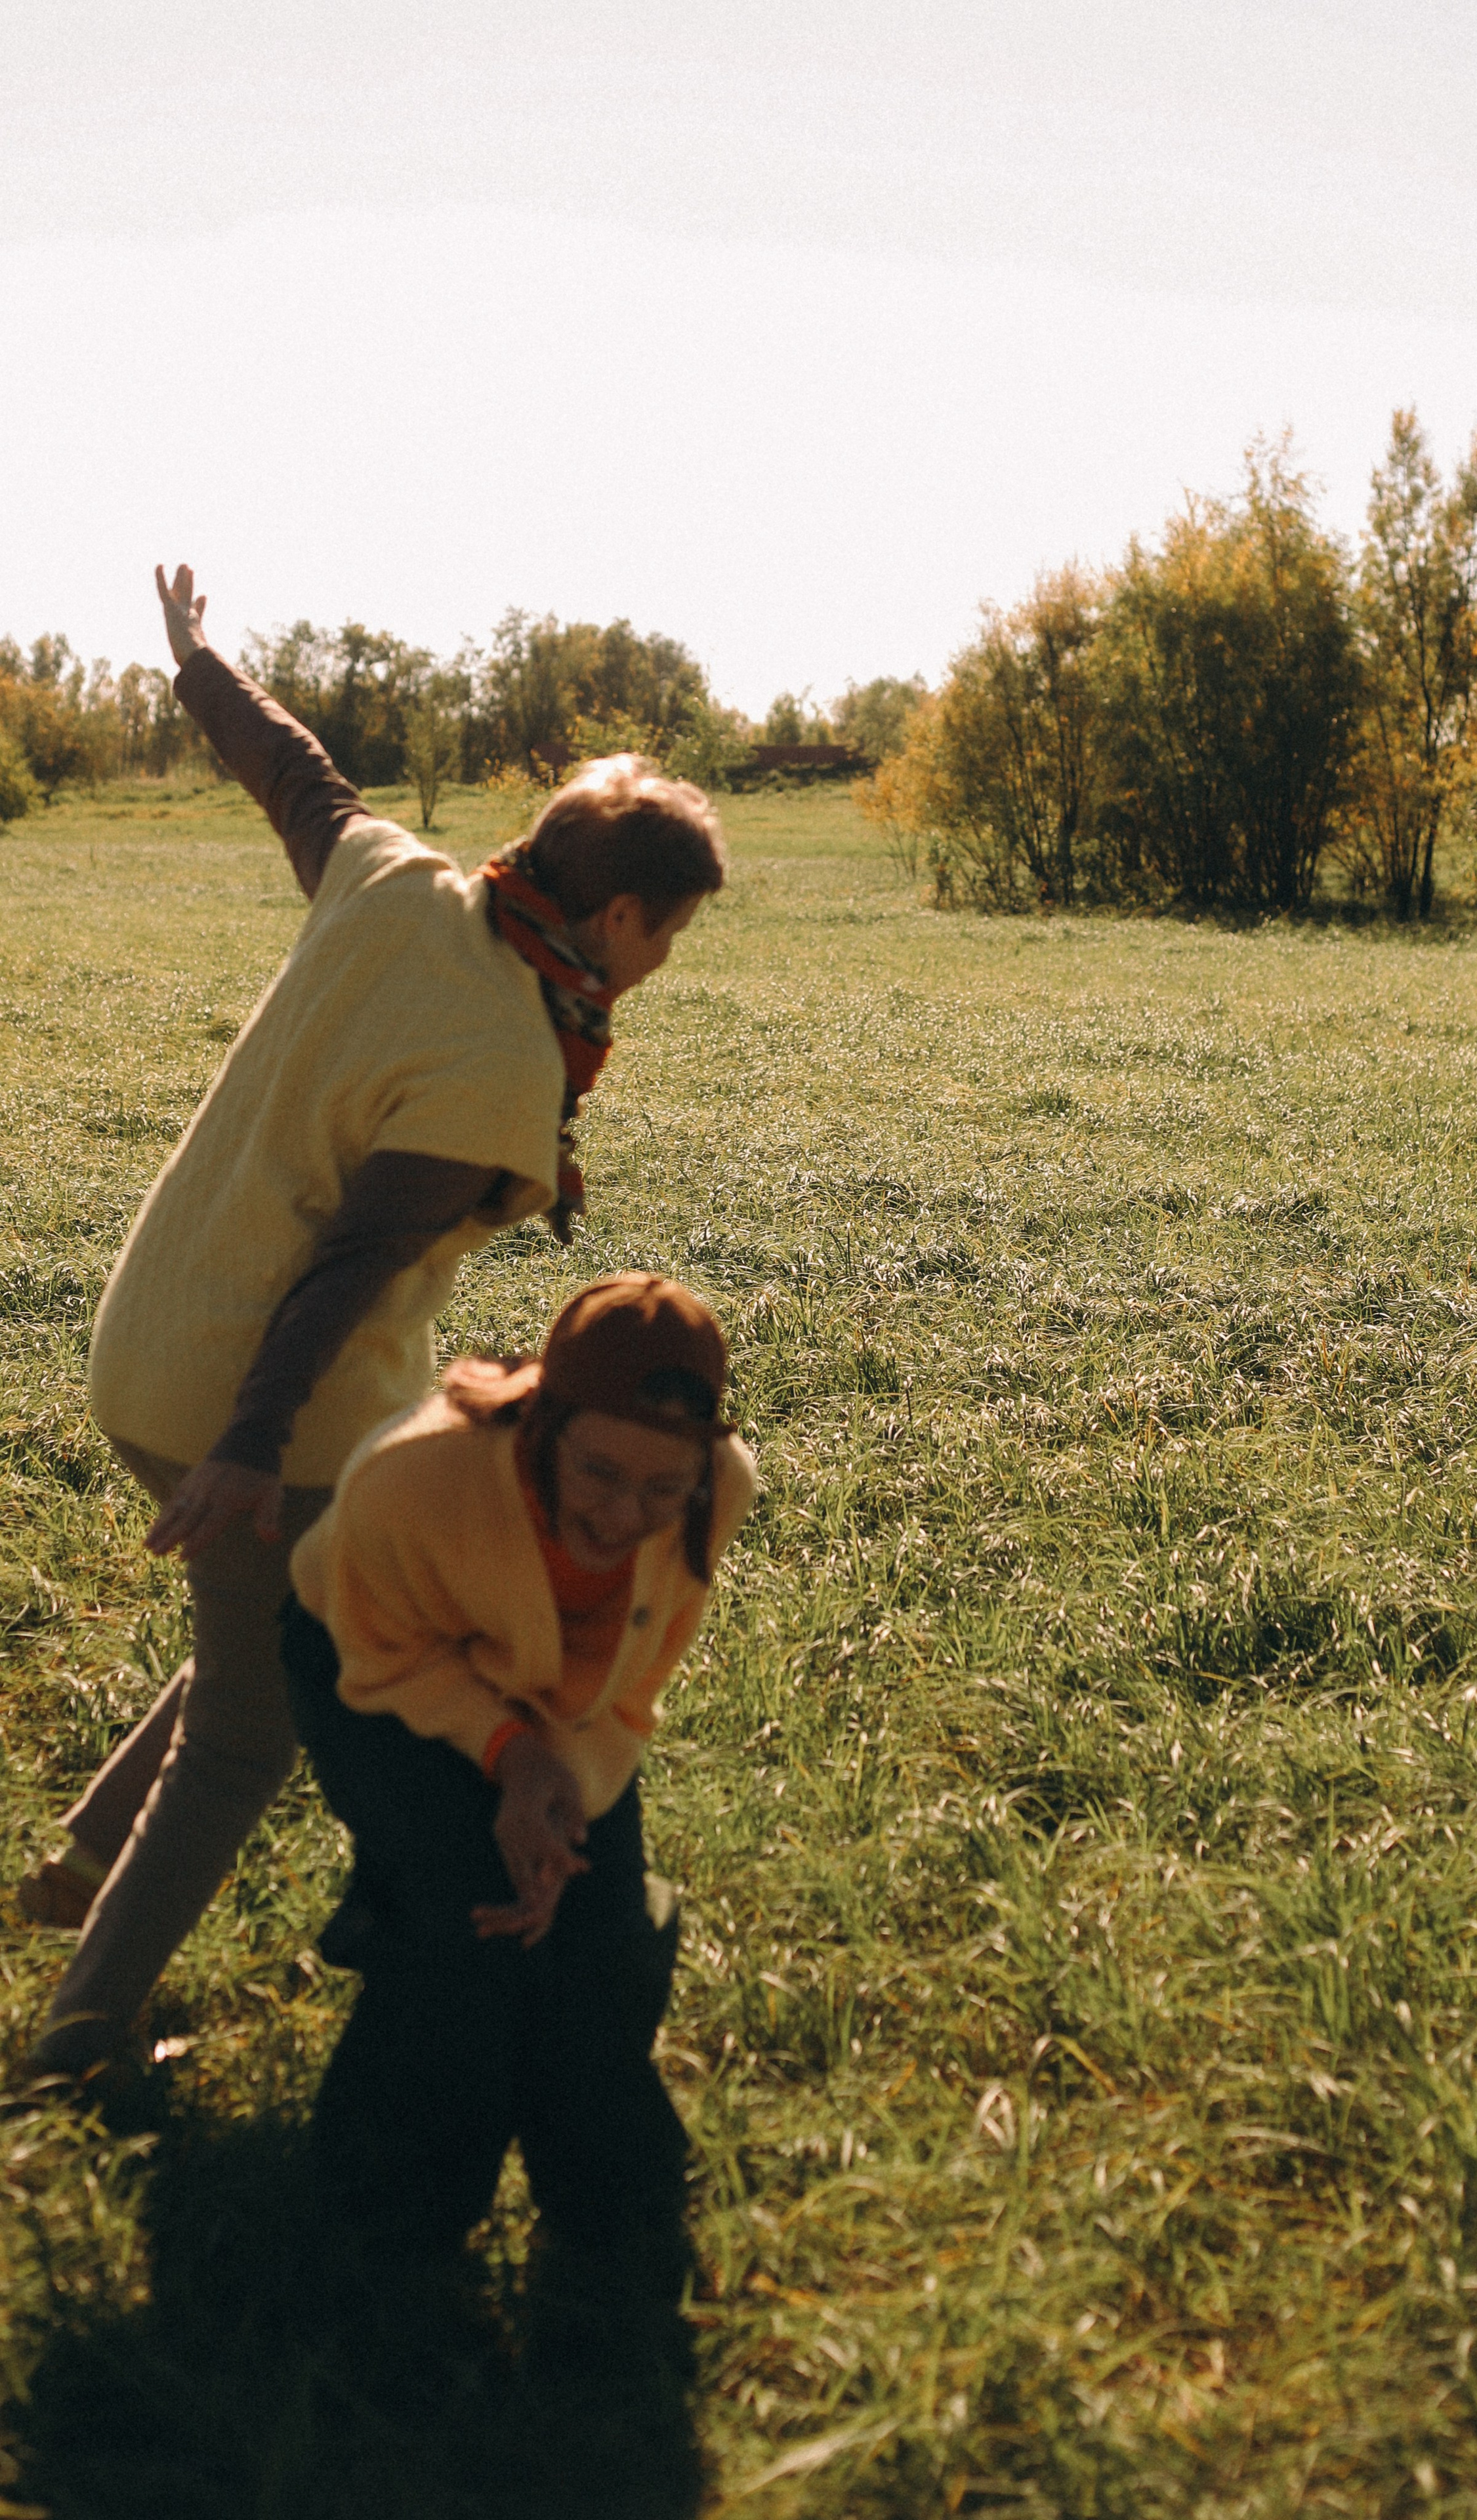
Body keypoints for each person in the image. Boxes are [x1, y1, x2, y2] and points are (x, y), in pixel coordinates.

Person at [24, 568, 726, 2080]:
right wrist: (250, 1453)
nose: (662, 964)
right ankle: (74, 2049)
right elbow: (351, 1264)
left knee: (276, 1620)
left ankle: (78, 1865)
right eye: (665, 936)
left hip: (155, 1333)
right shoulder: (501, 1070)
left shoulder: (397, 877)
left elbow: (293, 770)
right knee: (246, 1738)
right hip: (254, 1401)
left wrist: (200, 665)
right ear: (616, 916)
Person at [280, 1273, 757, 2279]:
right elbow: (382, 1657)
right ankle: (388, 2220)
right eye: (597, 1473)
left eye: (661, 1488)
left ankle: (614, 2212)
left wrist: (557, 1800)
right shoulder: (410, 1480)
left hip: (564, 1710)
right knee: (467, 1916)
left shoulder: (721, 1493)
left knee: (595, 1930)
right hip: (372, 1665)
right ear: (543, 1421)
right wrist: (506, 1760)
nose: (626, 1513)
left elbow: (630, 1691)